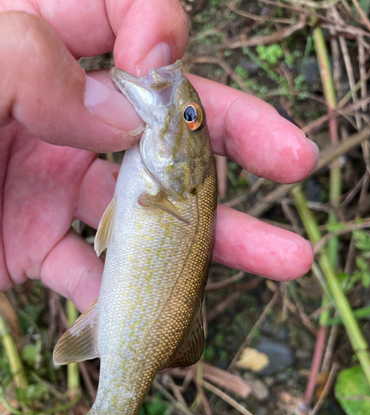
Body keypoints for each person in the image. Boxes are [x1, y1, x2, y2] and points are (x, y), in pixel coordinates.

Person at [0, 0, 318, 313]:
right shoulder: (160, 187)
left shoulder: (163, 187)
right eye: (191, 116)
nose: (186, 114)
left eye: (190, 116)